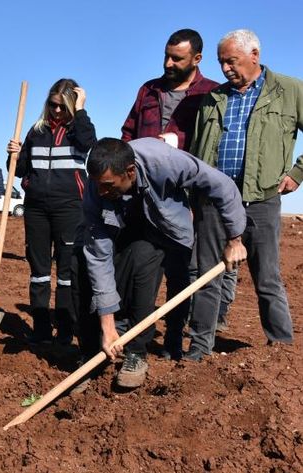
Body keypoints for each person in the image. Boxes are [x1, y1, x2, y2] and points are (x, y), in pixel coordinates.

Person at [72, 138, 246, 389]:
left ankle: (145, 352)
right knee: (84, 263)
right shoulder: (96, 190)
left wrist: (235, 238)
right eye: (97, 185)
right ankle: (93, 354)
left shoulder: (164, 161)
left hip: (169, 229)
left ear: (130, 172)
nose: (100, 192)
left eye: (107, 185)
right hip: (127, 227)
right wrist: (107, 324)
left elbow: (221, 184)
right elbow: (99, 256)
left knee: (169, 277)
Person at [187, 29, 303, 361]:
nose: (225, 68)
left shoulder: (290, 91)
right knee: (208, 275)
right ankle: (199, 351)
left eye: (231, 61)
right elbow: (198, 151)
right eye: (221, 62)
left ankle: (280, 352)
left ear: (254, 55)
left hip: (261, 201)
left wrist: (297, 174)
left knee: (267, 278)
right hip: (214, 202)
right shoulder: (214, 97)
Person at [120, 28, 236, 337]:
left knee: (183, 267)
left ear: (197, 59)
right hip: (145, 192)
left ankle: (175, 331)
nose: (169, 63)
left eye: (177, 58)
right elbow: (128, 134)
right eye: (166, 56)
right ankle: (133, 324)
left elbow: (215, 145)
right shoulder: (148, 90)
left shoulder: (211, 93)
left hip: (189, 194)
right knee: (142, 258)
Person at [8, 79, 96, 345]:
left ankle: (67, 329)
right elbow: (22, 170)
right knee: (39, 271)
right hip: (36, 208)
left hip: (70, 208)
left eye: (62, 106)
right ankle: (41, 329)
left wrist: (81, 110)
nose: (56, 111)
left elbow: (88, 142)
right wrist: (14, 154)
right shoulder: (37, 131)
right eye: (52, 105)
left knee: (67, 272)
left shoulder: (77, 130)